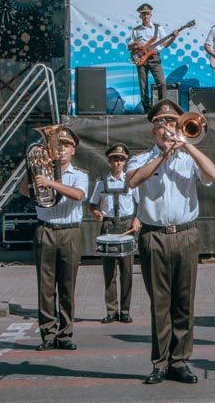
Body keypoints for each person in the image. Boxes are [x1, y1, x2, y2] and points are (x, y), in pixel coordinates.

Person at [126, 100, 215, 385]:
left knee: (184, 301)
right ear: (153, 129)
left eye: (172, 124)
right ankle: (160, 362)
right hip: (154, 234)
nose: (166, 129)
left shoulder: (189, 158)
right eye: (161, 124)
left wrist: (187, 145)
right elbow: (133, 181)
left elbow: (213, 175)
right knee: (159, 303)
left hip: (185, 234)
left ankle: (180, 361)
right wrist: (164, 156)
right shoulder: (142, 158)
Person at [19, 125, 87, 351]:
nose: (61, 150)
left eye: (66, 146)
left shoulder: (79, 175)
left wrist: (51, 183)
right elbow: (24, 191)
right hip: (45, 229)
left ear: (73, 150)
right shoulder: (43, 171)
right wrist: (33, 171)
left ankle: (66, 334)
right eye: (58, 145)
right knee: (45, 286)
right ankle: (47, 334)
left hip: (69, 231)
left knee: (67, 285)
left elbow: (78, 195)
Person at [89, 144, 139, 324]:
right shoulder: (101, 182)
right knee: (109, 272)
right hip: (109, 226)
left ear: (125, 161)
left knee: (127, 271)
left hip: (127, 226)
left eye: (122, 159)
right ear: (109, 160)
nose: (118, 162)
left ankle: (125, 310)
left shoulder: (132, 181)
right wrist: (96, 213)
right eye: (115, 159)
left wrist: (137, 218)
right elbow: (93, 204)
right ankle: (111, 310)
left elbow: (140, 203)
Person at [129, 3, 180, 113]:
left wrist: (173, 38)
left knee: (162, 83)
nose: (145, 16)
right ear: (140, 16)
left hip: (154, 59)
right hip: (140, 59)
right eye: (143, 14)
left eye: (147, 14)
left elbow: (165, 44)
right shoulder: (136, 30)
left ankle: (162, 109)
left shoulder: (158, 28)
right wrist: (135, 44)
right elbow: (129, 46)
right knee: (143, 86)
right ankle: (147, 111)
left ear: (151, 14)